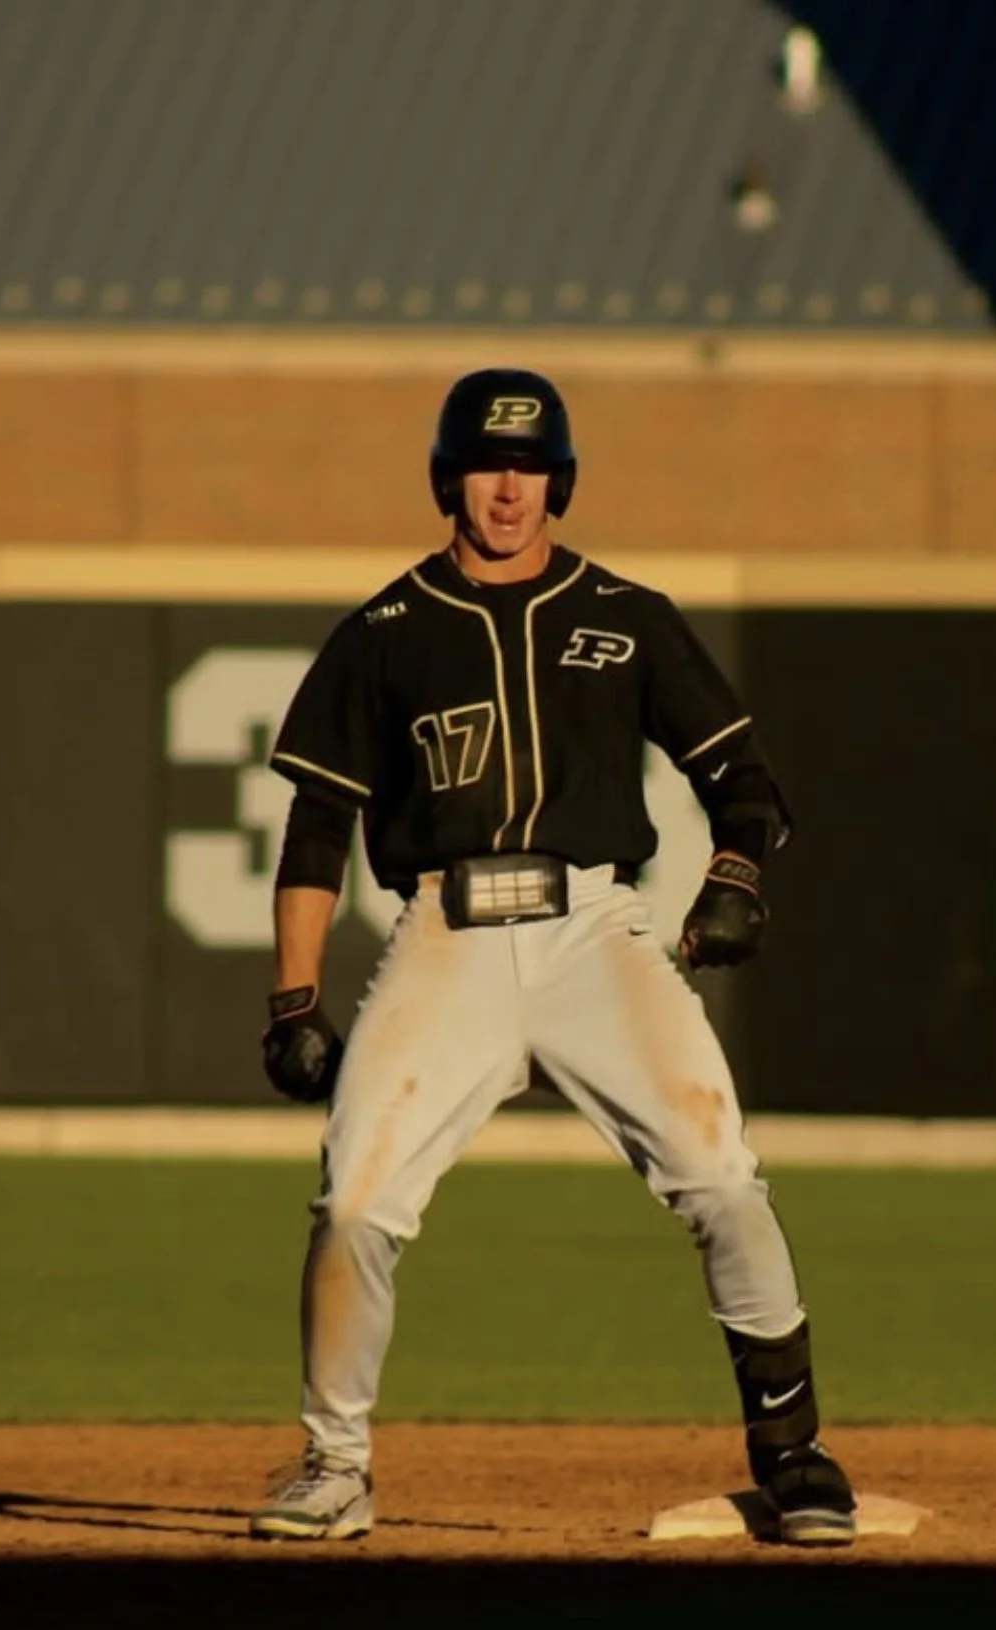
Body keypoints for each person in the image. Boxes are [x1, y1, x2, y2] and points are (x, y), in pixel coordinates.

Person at [249, 369, 856, 1546]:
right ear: (450, 479)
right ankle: (333, 1463)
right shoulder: (385, 634)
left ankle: (795, 1454)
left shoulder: (626, 612)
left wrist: (736, 873)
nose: (509, 487)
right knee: (357, 1202)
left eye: (529, 466)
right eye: (488, 464)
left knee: (723, 1175)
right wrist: (292, 997)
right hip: (443, 934)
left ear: (560, 480)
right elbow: (317, 825)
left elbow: (743, 777)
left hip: (595, 933)